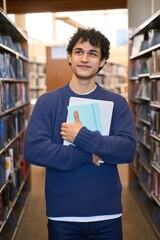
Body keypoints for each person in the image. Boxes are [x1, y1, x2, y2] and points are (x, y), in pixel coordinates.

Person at [24, 27, 136, 240]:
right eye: (79, 52)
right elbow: (34, 150)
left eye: (93, 53)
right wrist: (88, 155)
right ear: (69, 56)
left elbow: (126, 150)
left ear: (102, 61)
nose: (85, 58)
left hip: (107, 214)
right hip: (62, 215)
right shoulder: (48, 102)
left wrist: (82, 136)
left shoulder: (117, 103)